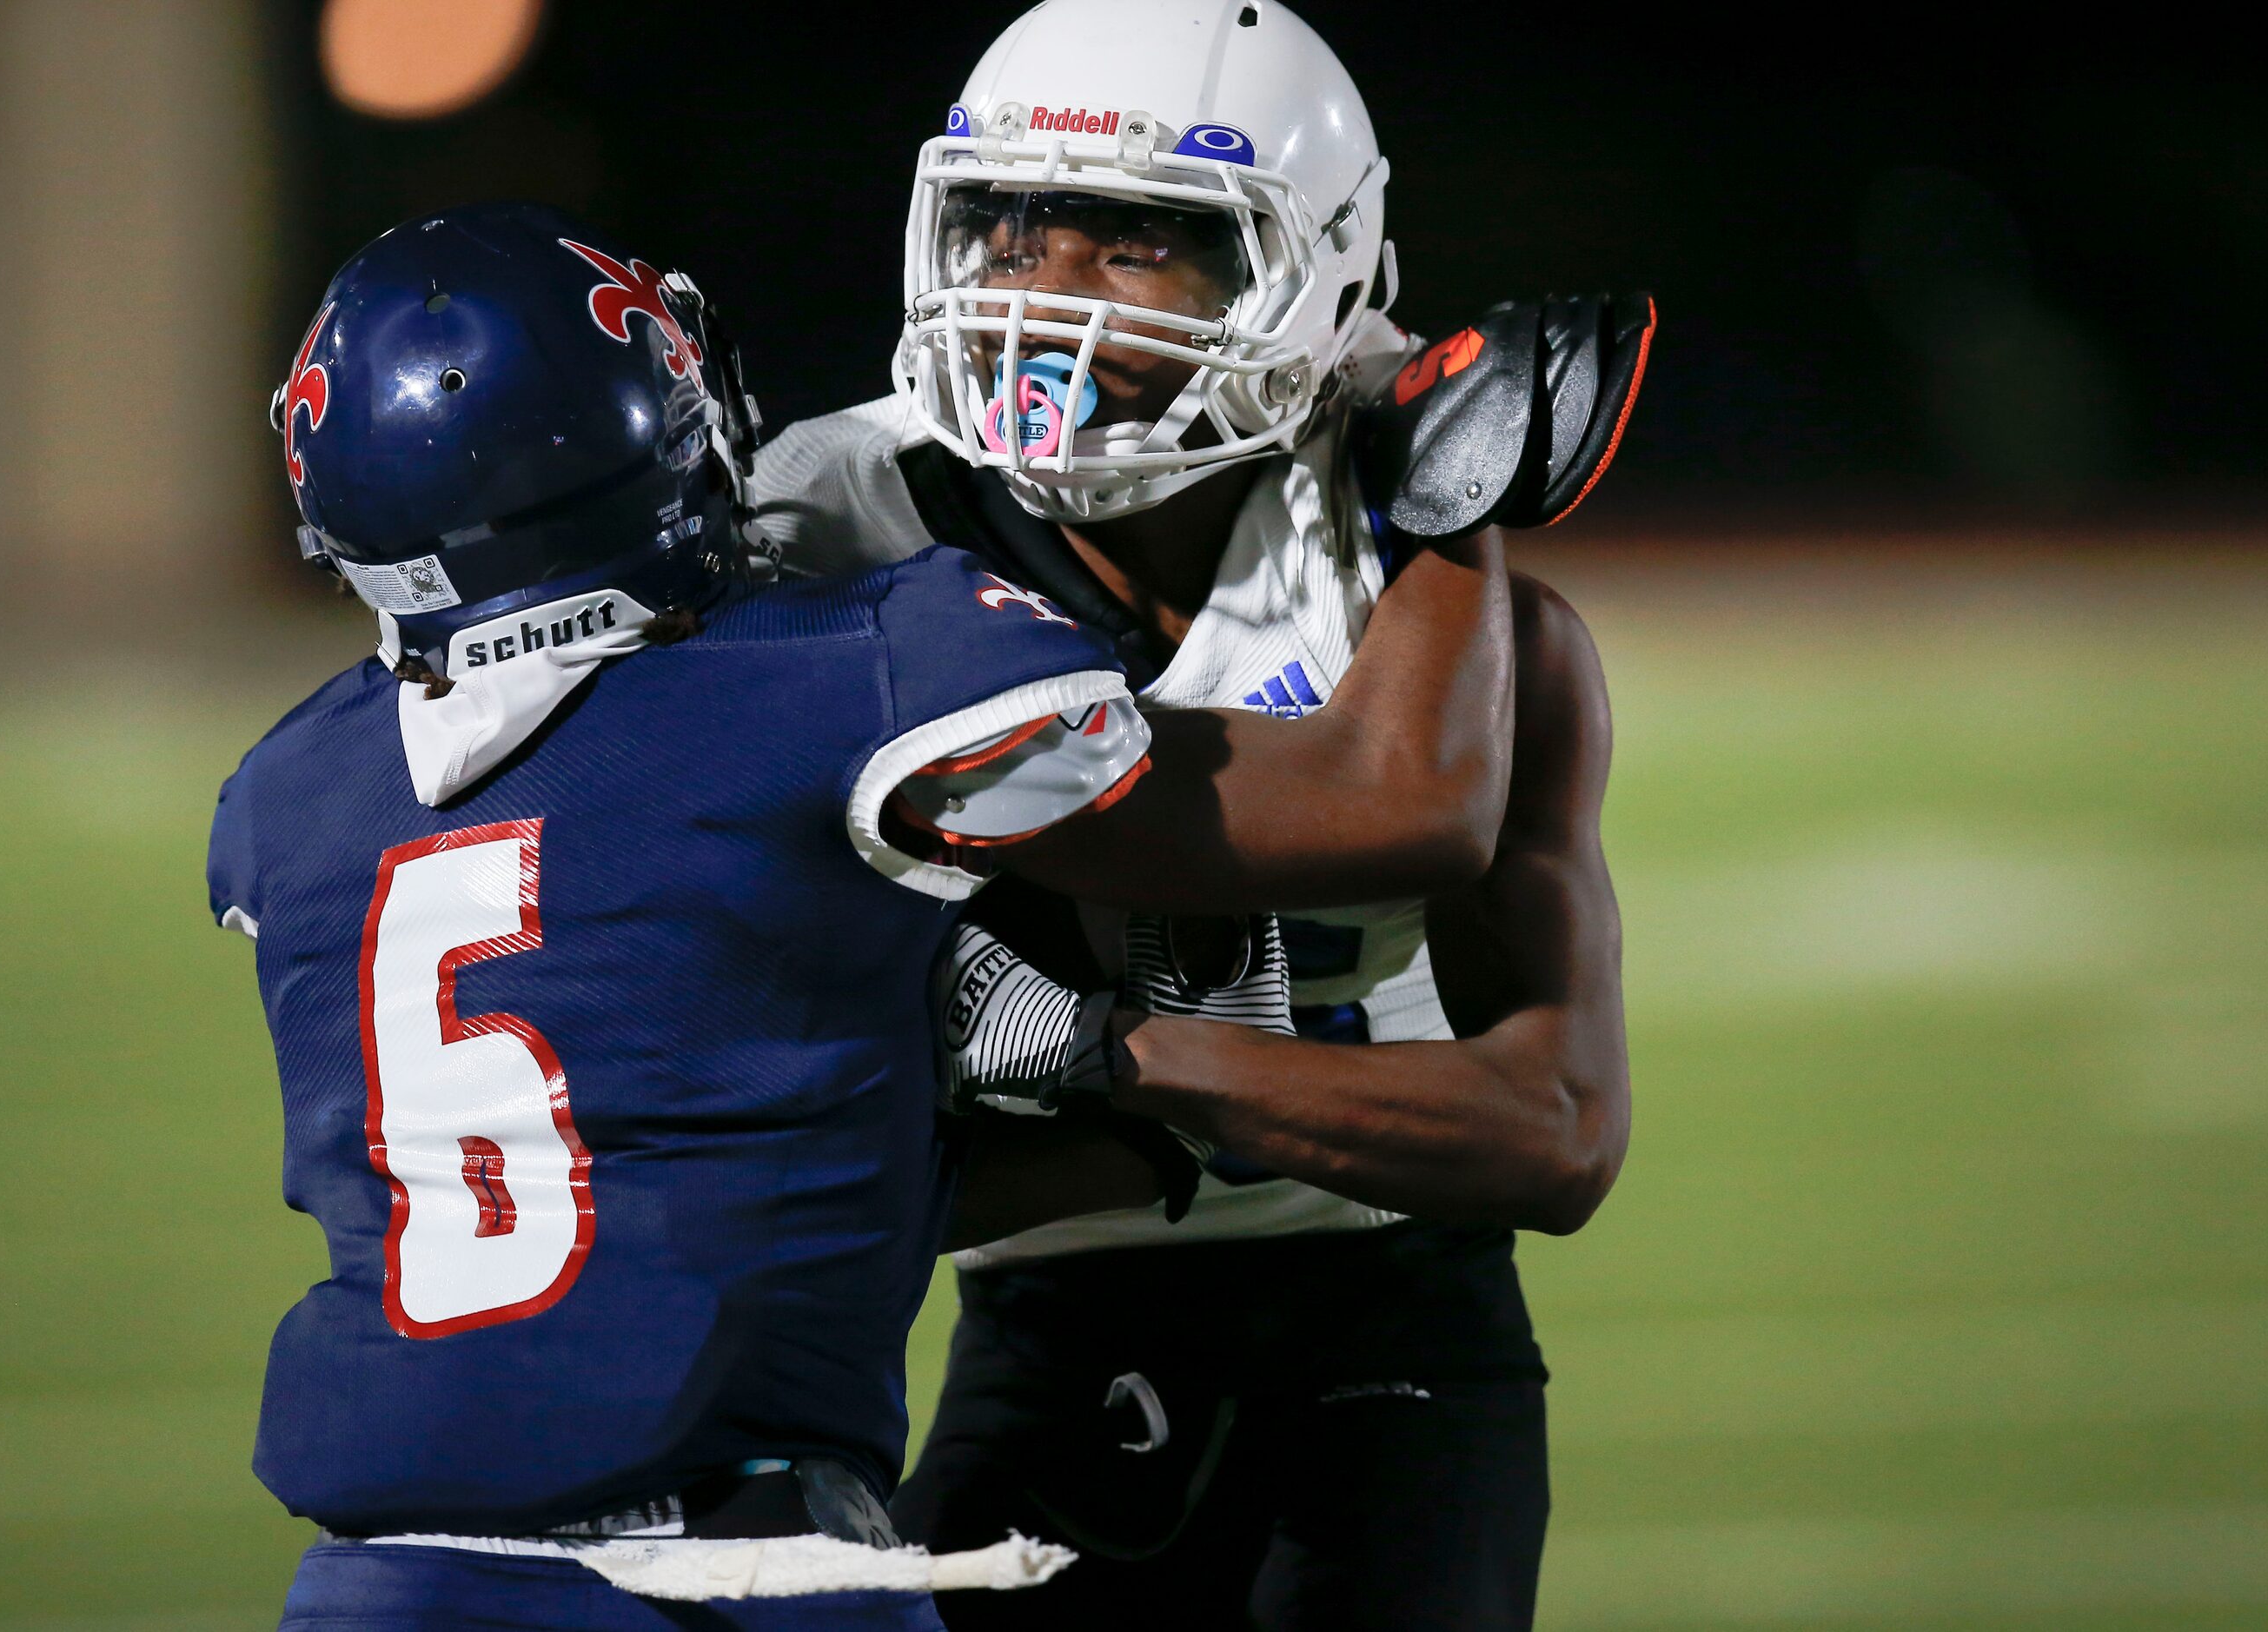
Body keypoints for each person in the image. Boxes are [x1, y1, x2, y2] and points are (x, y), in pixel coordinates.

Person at [211, 202, 1529, 1631]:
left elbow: (693, 1139)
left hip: (376, 1579)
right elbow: (1383, 799)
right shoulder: (866, 673)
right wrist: (1451, 493)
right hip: (739, 1562)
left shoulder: (285, 801)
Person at [747, 3, 1649, 1625]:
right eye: (1011, 228)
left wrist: (1126, 1063)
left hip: (1388, 1317)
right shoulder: (830, 527)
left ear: (1316, 280)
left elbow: (1556, 1129)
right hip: (1039, 1308)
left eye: (1137, 245)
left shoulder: (1451, 618)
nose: (1045, 299)